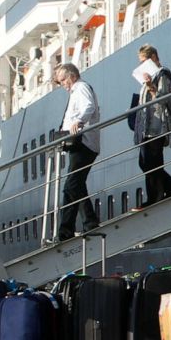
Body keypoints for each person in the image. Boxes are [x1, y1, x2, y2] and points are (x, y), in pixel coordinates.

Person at [132, 44, 171, 210]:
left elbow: (165, 99)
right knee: (145, 162)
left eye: (145, 60)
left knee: (152, 161)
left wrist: (150, 87)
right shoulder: (148, 75)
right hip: (146, 126)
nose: (142, 64)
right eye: (141, 62)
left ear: (154, 57)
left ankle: (156, 197)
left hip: (157, 125)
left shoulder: (162, 74)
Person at [53, 63, 101, 241]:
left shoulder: (81, 87)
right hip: (80, 144)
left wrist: (79, 121)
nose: (63, 84)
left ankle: (68, 230)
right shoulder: (76, 90)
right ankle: (87, 223)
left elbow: (89, 107)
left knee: (71, 186)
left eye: (63, 80)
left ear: (72, 76)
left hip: (84, 144)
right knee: (76, 185)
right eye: (60, 82)